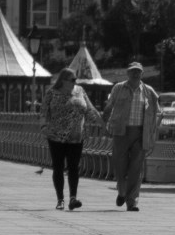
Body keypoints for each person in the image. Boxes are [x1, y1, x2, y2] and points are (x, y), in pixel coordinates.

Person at [39, 68, 104, 210]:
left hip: (76, 136)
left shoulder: (80, 91)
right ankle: (60, 199)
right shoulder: (51, 93)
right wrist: (43, 127)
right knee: (58, 167)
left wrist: (102, 124)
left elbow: (90, 109)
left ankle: (73, 198)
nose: (75, 82)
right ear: (63, 80)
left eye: (76, 79)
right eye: (73, 80)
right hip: (56, 136)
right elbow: (43, 111)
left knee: (74, 167)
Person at [102, 62, 161, 212]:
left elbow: (158, 112)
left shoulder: (148, 91)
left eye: (138, 72)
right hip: (120, 131)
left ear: (142, 74)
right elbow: (109, 106)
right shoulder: (119, 88)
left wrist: (153, 131)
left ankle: (132, 201)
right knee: (120, 165)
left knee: (136, 167)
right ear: (127, 73)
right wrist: (105, 123)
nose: (135, 74)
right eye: (133, 71)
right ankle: (121, 192)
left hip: (141, 133)